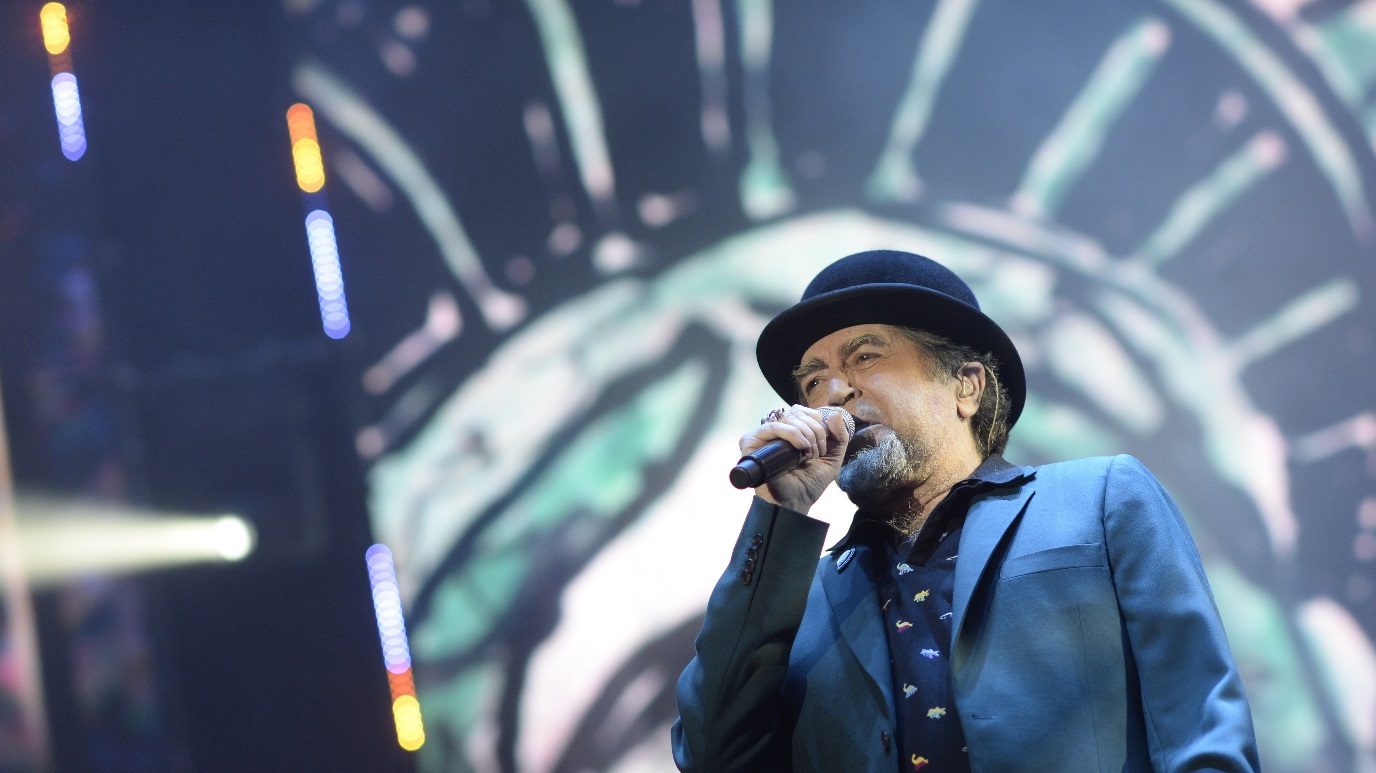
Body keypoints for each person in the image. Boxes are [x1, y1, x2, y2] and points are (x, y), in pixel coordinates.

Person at [671, 250, 1259, 772]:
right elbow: (710, 755)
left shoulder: (1101, 498)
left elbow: (1200, 726)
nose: (833, 394)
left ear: (967, 386)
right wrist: (779, 518)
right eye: (813, 381)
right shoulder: (801, 599)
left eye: (865, 357)